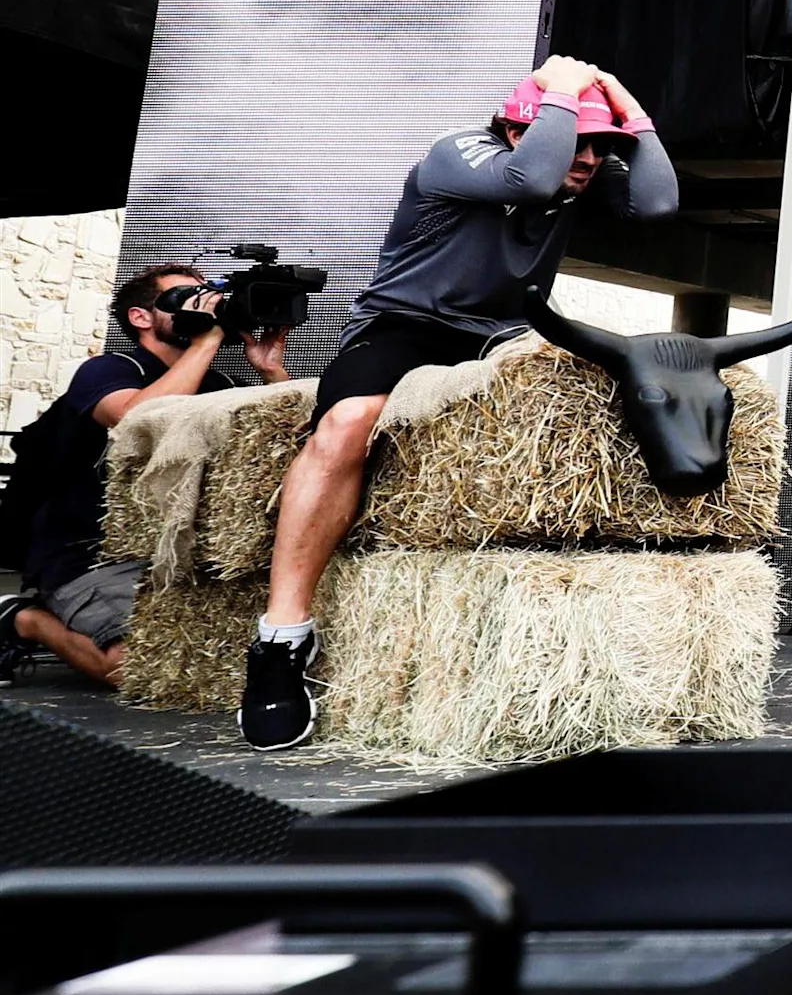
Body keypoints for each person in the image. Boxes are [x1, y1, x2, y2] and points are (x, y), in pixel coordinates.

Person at [242, 54, 677, 750]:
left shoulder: (572, 172)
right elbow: (529, 175)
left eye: (603, 146)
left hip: (502, 332)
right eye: (582, 140)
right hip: (405, 323)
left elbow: (656, 202)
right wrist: (564, 90)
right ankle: (280, 639)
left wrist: (626, 104)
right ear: (518, 126)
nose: (591, 158)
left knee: (578, 394)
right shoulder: (461, 151)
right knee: (345, 426)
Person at [3, 264, 291, 687]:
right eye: (186, 300)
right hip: (89, 553)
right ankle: (25, 620)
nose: (204, 307)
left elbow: (285, 441)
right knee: (134, 667)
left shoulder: (224, 383)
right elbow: (135, 420)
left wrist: (270, 371)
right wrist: (207, 338)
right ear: (141, 317)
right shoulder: (110, 370)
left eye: (209, 298)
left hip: (178, 554)